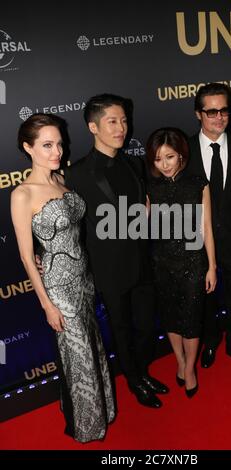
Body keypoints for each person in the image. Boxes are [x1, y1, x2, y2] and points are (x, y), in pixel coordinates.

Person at [10, 113, 116, 443]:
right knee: (79, 355)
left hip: (83, 280)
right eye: (46, 145)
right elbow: (27, 256)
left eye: (58, 144)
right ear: (28, 148)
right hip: (59, 289)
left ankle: (105, 409)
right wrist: (46, 305)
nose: (56, 151)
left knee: (93, 347)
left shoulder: (61, 180)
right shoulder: (22, 194)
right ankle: (87, 425)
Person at [64, 94, 169, 409]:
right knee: (121, 330)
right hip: (108, 269)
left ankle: (144, 370)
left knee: (148, 326)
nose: (122, 127)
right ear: (93, 126)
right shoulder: (77, 174)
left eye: (124, 120)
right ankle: (135, 380)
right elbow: (71, 225)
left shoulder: (134, 162)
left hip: (141, 261)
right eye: (113, 121)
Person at [187, 82, 231, 371]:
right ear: (198, 114)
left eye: (224, 110)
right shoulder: (184, 150)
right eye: (212, 111)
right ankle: (211, 341)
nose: (219, 117)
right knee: (205, 301)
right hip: (199, 244)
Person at [146, 128, 217, 397]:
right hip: (162, 263)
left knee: (191, 319)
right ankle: (180, 361)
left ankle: (189, 371)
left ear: (181, 157)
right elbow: (142, 227)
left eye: (170, 157)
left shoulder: (199, 183)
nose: (164, 165)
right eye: (158, 159)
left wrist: (211, 266)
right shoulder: (150, 188)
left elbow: (206, 228)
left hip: (193, 262)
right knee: (171, 318)